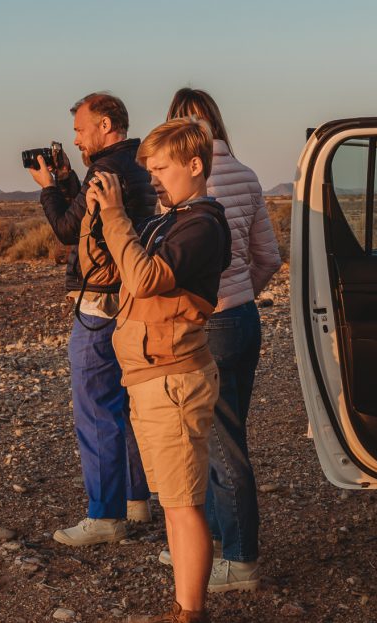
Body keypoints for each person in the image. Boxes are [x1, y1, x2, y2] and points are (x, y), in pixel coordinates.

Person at [81, 117, 231, 623]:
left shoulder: (201, 227)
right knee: (173, 502)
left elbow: (144, 280)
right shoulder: (172, 222)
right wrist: (101, 218)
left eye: (162, 168)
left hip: (173, 379)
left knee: (184, 506)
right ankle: (184, 607)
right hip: (152, 376)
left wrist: (119, 214)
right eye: (149, 171)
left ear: (195, 165)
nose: (155, 180)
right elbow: (118, 272)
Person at [156, 88, 282, 591]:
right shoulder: (248, 176)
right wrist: (238, 295)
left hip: (209, 326)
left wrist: (213, 304)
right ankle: (202, 548)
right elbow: (269, 256)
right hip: (244, 319)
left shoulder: (181, 186)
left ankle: (239, 558)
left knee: (218, 446)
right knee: (226, 437)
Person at [28, 92, 157, 546]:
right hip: (132, 299)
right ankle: (137, 500)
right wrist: (69, 181)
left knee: (97, 408)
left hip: (99, 304)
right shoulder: (139, 164)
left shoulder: (105, 171)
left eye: (81, 129)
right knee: (128, 405)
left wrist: (47, 186)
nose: (76, 138)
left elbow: (68, 229)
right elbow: (89, 217)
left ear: (105, 126)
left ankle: (105, 515)